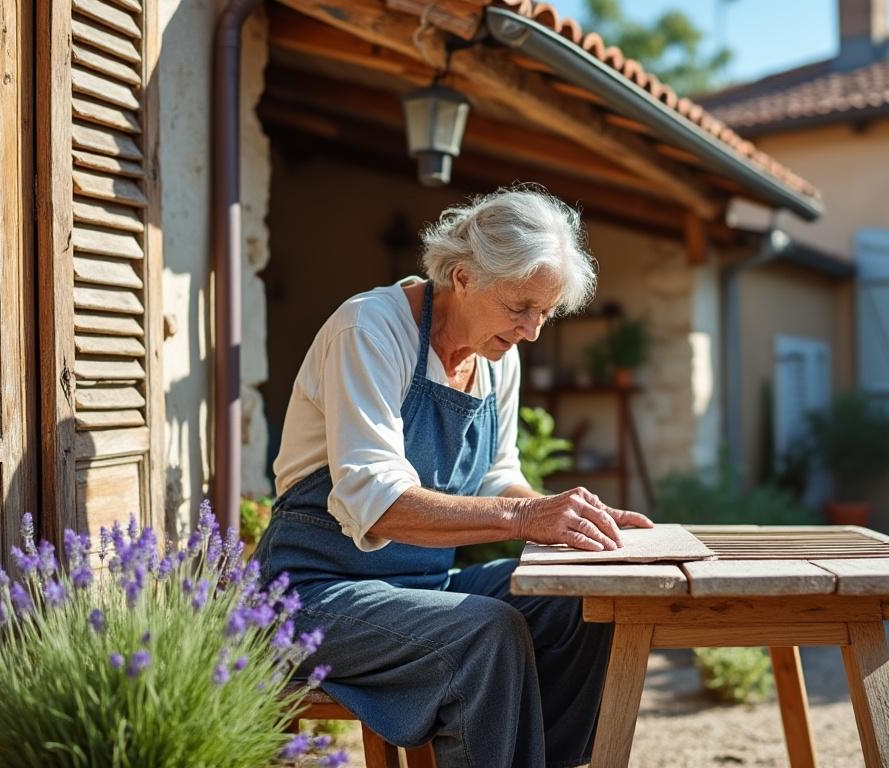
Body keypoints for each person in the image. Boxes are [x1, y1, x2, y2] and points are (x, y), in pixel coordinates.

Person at [255, 187, 654, 768]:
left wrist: (566, 521)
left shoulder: (497, 360)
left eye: (544, 313)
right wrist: (524, 517)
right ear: (463, 276)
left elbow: (497, 479)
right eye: (521, 307)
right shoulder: (368, 330)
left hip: (418, 587)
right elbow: (378, 501)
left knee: (583, 604)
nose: (532, 331)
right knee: (486, 633)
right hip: (314, 591)